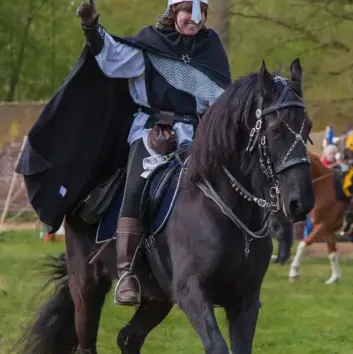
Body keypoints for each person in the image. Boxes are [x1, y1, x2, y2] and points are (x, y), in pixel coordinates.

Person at [20, 0, 231, 307]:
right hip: (150, 132)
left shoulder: (210, 49)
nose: (193, 19)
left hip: (196, 137)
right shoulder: (151, 44)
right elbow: (112, 58)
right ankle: (127, 272)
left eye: (200, 13)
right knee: (136, 188)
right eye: (187, 11)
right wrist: (91, 27)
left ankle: (226, 263)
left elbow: (222, 100)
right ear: (174, 12)